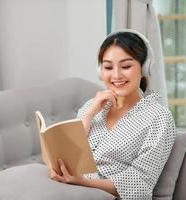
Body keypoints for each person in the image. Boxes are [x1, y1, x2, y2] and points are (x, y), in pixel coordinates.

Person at [50, 29, 176, 200]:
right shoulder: (91, 106)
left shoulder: (159, 117)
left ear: (144, 67)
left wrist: (82, 182)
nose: (116, 75)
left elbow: (140, 183)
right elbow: (64, 155)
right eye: (108, 67)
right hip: (69, 190)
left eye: (126, 66)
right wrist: (89, 114)